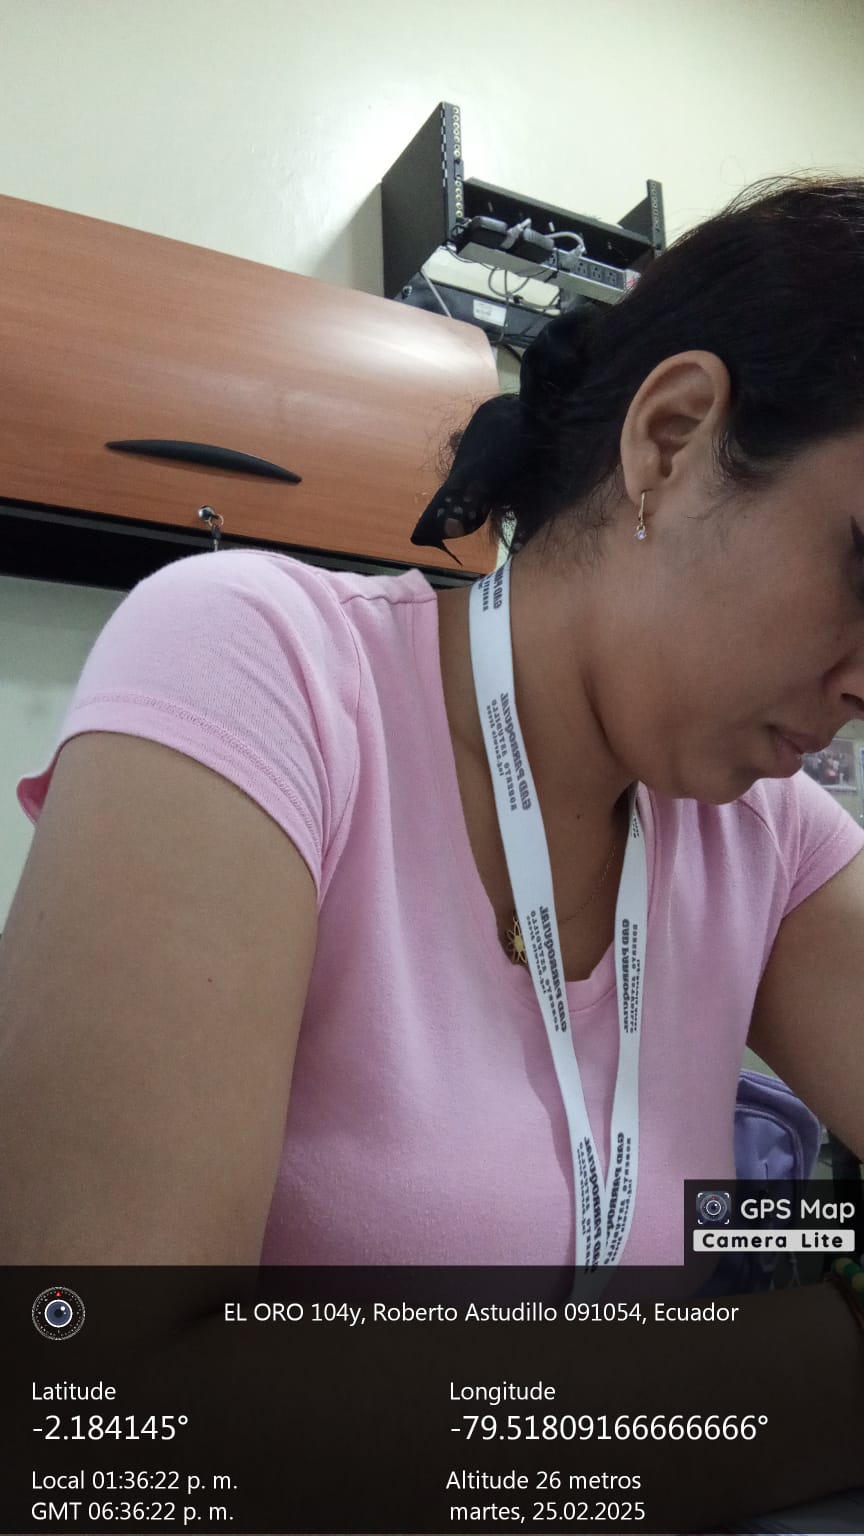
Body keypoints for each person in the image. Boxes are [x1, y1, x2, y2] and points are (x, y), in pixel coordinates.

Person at [3, 171, 864, 1529]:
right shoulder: (264, 668)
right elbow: (95, 1411)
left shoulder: (771, 837)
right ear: (672, 437)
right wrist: (816, 1370)